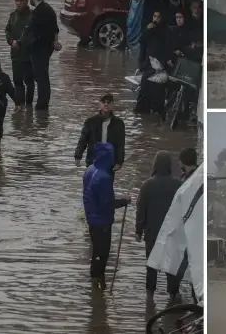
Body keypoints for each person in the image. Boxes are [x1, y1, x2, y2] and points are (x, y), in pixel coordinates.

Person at [135, 150, 183, 302]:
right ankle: (173, 294)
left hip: (152, 231)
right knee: (172, 264)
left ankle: (150, 296)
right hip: (171, 232)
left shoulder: (147, 185)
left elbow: (141, 209)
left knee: (151, 263)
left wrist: (138, 230)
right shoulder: (177, 185)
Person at [83, 142, 130, 291]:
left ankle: (96, 283)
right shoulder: (104, 177)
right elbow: (108, 203)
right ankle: (98, 285)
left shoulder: (90, 170)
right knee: (103, 253)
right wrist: (124, 201)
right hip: (102, 221)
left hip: (91, 218)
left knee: (96, 251)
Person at [24, 0, 59, 111]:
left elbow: (35, 31)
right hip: (44, 48)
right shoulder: (47, 9)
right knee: (40, 75)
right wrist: (55, 41)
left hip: (40, 49)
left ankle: (42, 105)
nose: (29, 0)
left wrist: (30, 43)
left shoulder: (40, 11)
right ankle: (42, 104)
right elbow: (55, 29)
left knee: (41, 77)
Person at [74, 94, 125, 173]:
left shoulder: (119, 123)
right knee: (91, 182)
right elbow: (83, 140)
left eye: (109, 102)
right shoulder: (90, 121)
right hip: (92, 159)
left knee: (106, 183)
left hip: (109, 161)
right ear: (99, 104)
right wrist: (78, 156)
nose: (106, 104)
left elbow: (120, 144)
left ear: (113, 104)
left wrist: (119, 162)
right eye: (103, 102)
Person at [5, 0, 34, 106]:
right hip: (16, 55)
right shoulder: (13, 16)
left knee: (29, 83)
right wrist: (11, 41)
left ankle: (29, 106)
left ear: (26, 1)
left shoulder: (32, 16)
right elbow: (7, 31)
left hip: (28, 55)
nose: (18, 3)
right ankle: (19, 106)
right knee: (17, 81)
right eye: (16, 1)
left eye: (21, 1)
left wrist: (20, 42)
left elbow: (31, 33)